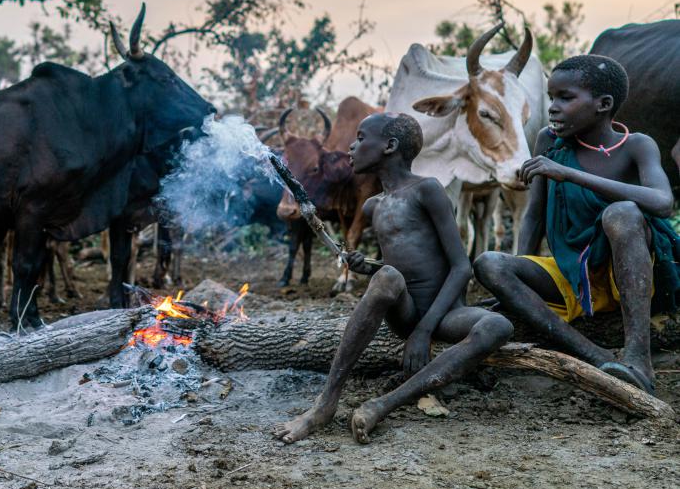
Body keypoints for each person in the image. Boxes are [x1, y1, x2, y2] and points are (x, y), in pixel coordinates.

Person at [274, 113, 512, 444]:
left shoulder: (427, 190)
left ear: (389, 146)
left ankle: (384, 404)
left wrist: (425, 332)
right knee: (386, 274)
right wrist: (367, 266)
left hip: (445, 315)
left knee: (498, 326)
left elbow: (461, 266)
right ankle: (324, 404)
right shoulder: (373, 206)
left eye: (360, 138)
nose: (352, 147)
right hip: (405, 311)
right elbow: (396, 266)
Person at [475, 55, 679, 395]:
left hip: (632, 273)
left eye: (565, 98)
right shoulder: (549, 142)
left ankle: (638, 360)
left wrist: (570, 174)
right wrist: (520, 279)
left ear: (603, 104)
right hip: (575, 274)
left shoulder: (636, 146)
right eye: (551, 97)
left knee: (623, 213)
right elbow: (535, 215)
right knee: (489, 263)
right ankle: (594, 355)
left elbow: (661, 201)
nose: (553, 107)